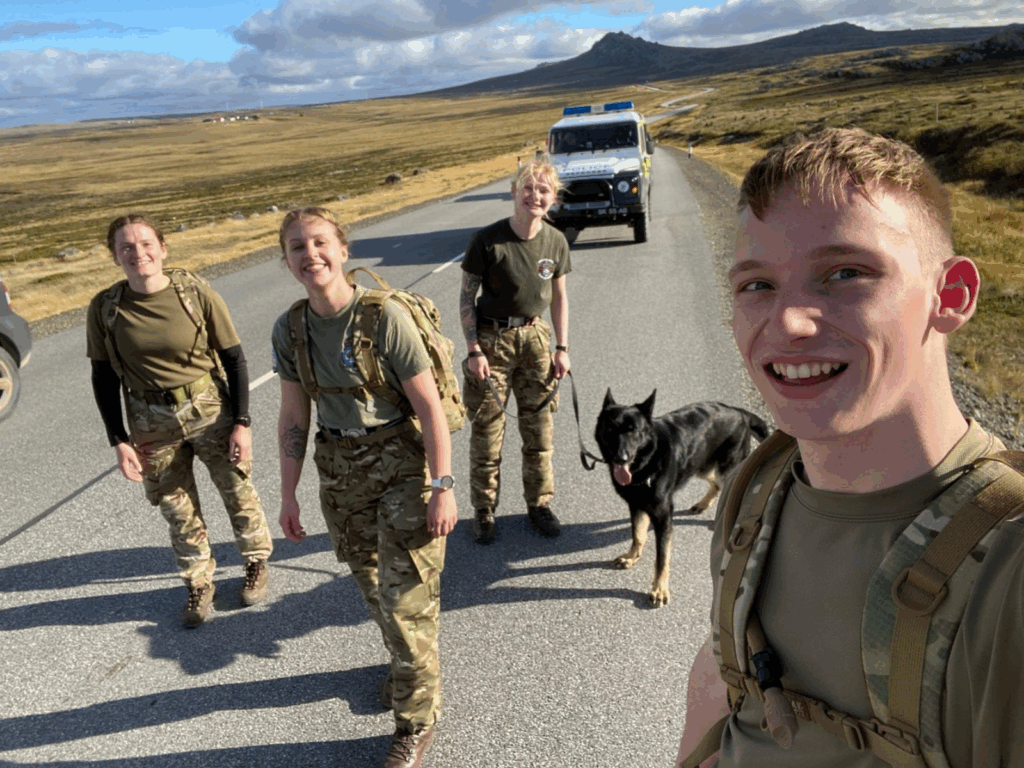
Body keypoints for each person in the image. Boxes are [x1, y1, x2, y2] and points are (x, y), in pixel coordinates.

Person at [676, 127, 1024, 768]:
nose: (787, 323)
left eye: (845, 273)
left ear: (951, 296)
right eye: (757, 285)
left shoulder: (1008, 570)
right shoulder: (759, 489)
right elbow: (727, 667)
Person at [272, 206, 456, 768]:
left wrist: (443, 484)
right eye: (297, 247)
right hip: (339, 465)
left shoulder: (383, 317)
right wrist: (287, 493)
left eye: (321, 242)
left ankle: (416, 721)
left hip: (402, 457)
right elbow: (293, 415)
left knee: (406, 599)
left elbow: (429, 406)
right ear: (287, 260)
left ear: (343, 250)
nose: (311, 256)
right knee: (372, 587)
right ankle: (410, 672)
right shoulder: (291, 328)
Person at [86, 213, 273, 629]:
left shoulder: (193, 291)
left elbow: (233, 358)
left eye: (146, 244)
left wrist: (242, 421)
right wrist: (118, 440)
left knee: (236, 488)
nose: (139, 254)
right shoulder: (105, 308)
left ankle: (256, 560)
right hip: (150, 421)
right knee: (175, 506)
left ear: (163, 248)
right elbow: (102, 377)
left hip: (209, 408)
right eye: (127, 248)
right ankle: (198, 581)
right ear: (115, 256)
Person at [460, 159, 571, 544]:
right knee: (488, 431)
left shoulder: (556, 241)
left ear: (553, 198)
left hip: (536, 341)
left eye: (543, 190)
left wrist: (562, 347)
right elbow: (466, 297)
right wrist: (474, 350)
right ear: (513, 192)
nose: (534, 196)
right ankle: (484, 510)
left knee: (539, 431)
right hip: (493, 342)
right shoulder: (487, 240)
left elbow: (559, 297)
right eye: (528, 188)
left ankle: (539, 504)